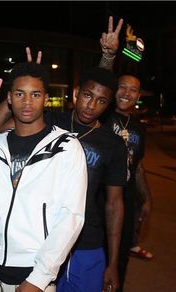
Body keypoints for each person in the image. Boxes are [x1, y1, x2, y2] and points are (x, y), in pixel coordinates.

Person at [0, 46, 127, 292]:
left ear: (108, 105)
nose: (91, 105)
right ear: (77, 93)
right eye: (87, 95)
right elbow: (0, 126)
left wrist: (114, 262)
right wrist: (24, 84)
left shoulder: (113, 144)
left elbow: (114, 204)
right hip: (41, 240)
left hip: (86, 243)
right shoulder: (51, 120)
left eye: (101, 101)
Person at [0, 62, 88, 292]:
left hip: (34, 270)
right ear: (9, 99)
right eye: (20, 94)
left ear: (45, 98)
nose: (27, 101)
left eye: (35, 94)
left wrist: (39, 278)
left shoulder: (67, 146)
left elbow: (71, 217)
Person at [103, 73, 153, 292]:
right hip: (100, 201)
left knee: (120, 262)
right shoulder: (102, 116)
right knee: (98, 260)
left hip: (128, 203)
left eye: (133, 89)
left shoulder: (139, 128)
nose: (126, 93)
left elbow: (138, 166)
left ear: (138, 95)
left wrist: (146, 199)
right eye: (121, 87)